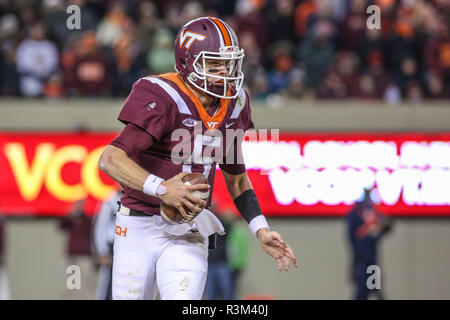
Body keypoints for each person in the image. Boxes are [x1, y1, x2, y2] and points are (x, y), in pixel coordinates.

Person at [98, 16, 297, 300]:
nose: (224, 72)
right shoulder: (163, 94)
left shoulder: (236, 104)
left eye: (228, 63)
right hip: (139, 225)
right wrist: (163, 188)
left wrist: (260, 228)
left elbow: (236, 178)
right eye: (213, 64)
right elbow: (111, 158)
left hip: (189, 228)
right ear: (187, 62)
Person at [346, 188, 392, 300]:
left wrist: (378, 226)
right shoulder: (355, 216)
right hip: (362, 263)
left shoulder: (373, 215)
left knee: (376, 290)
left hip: (372, 263)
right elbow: (353, 239)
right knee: (362, 293)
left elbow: (387, 226)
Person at [92, 189, 121, 300]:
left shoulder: (138, 198)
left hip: (128, 246)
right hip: (112, 247)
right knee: (107, 283)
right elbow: (101, 226)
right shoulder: (110, 199)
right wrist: (102, 251)